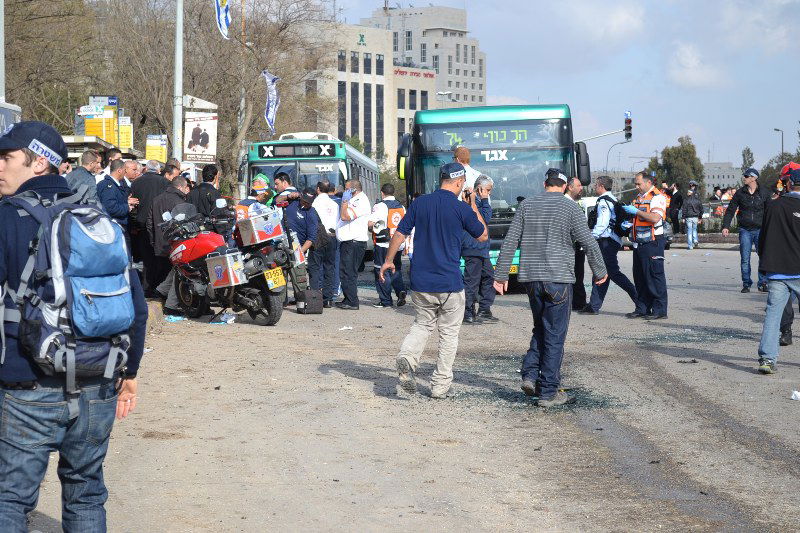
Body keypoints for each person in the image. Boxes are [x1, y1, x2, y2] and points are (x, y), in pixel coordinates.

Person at [0, 121, 145, 530]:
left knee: (10, 501)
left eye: (6, 158)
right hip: (98, 384)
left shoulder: (6, 219)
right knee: (86, 493)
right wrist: (128, 374)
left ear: (39, 163)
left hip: (25, 387)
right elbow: (135, 305)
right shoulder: (99, 223)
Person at [493, 168, 607, 407]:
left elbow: (511, 240)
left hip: (531, 279)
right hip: (558, 278)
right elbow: (588, 242)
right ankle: (548, 392)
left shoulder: (527, 206)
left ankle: (530, 375)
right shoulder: (570, 208)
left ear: (545, 183)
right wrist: (601, 271)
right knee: (555, 334)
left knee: (541, 328)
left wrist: (501, 274)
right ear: (565, 186)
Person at [379, 162, 488, 398]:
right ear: (459, 182)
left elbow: (400, 233)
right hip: (449, 282)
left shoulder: (420, 203)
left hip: (420, 281)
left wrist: (388, 260)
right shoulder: (461, 208)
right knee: (448, 334)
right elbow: (482, 235)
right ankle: (439, 386)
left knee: (422, 325)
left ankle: (407, 357)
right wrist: (472, 204)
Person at [756, 168, 800, 374]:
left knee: (773, 316)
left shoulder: (773, 206)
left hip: (777, 271)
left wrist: (765, 265)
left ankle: (767, 359)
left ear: (789, 184)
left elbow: (762, 239)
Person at [581, 175, 641, 315]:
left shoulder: (603, 202)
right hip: (612, 241)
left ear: (601, 186)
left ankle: (639, 300)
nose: (595, 187)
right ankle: (594, 305)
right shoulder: (613, 199)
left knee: (613, 273)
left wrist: (591, 237)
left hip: (606, 242)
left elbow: (602, 223)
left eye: (596, 185)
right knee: (601, 273)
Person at [624, 171, 668, 320]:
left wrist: (636, 211)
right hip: (639, 243)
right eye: (636, 183)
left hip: (653, 242)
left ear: (648, 183)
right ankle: (642, 308)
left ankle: (659, 310)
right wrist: (630, 224)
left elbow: (655, 218)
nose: (636, 186)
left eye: (638, 183)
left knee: (654, 277)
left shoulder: (658, 197)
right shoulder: (639, 198)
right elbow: (639, 218)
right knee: (640, 277)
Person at [722, 168, 770, 293]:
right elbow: (730, 210)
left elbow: (770, 211)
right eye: (744, 176)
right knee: (745, 258)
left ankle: (763, 282)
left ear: (754, 178)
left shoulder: (764, 192)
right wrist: (726, 226)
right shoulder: (740, 193)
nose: (744, 178)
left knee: (763, 256)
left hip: (761, 230)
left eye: (747, 176)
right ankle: (746, 284)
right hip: (745, 230)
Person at [148, 176, 191, 314]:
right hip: (176, 244)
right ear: (180, 187)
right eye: (185, 188)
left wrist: (154, 241)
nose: (187, 191)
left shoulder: (156, 199)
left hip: (160, 243)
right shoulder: (180, 202)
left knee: (171, 272)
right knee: (179, 272)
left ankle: (161, 292)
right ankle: (171, 304)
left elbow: (149, 223)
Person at [130, 161, 170, 295]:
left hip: (141, 226)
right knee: (160, 257)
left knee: (146, 259)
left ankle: (146, 287)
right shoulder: (165, 183)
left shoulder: (136, 183)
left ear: (146, 169)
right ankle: (158, 286)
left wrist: (135, 224)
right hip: (159, 226)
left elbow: (133, 206)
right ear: (158, 170)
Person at [461, 174, 496, 323]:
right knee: (472, 281)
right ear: (480, 189)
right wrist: (483, 200)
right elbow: (485, 219)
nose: (489, 193)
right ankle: (468, 312)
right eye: (488, 190)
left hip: (481, 249)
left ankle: (484, 309)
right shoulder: (471, 202)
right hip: (473, 247)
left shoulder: (479, 201)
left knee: (489, 276)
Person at [368, 183, 407, 308]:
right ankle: (400, 290)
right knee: (395, 269)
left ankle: (385, 300)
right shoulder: (401, 207)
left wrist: (371, 227)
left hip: (383, 243)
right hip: (398, 244)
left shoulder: (380, 206)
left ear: (382, 193)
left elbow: (372, 224)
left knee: (381, 270)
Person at [336, 179, 371, 310]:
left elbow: (345, 217)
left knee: (348, 272)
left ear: (353, 190)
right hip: (349, 241)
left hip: (354, 242)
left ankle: (352, 301)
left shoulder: (360, 201)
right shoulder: (355, 200)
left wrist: (344, 202)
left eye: (346, 189)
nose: (344, 191)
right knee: (345, 271)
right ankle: (348, 298)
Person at [310, 180, 339, 307]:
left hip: (318, 238)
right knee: (329, 267)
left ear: (317, 189)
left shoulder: (314, 203)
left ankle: (315, 298)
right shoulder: (335, 204)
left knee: (315, 267)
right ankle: (328, 299)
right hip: (332, 237)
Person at [96, 159, 138, 232]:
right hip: (113, 226)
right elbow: (111, 208)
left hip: (117, 225)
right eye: (125, 170)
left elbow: (116, 201)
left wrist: (126, 201)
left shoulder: (117, 185)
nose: (125, 172)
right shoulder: (108, 186)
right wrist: (127, 206)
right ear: (119, 171)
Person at [565, 176, 587, 310]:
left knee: (578, 275)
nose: (581, 188)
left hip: (578, 245)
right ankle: (574, 302)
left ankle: (578, 302)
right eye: (578, 186)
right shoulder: (565, 203)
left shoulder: (576, 202)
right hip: (570, 245)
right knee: (572, 275)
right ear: (570, 187)